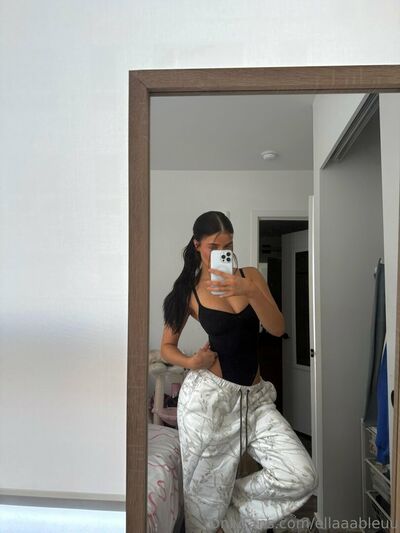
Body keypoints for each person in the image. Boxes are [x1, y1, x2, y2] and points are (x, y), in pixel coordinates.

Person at [160, 211, 318, 533]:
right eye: (213, 246)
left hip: (256, 400)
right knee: (202, 513)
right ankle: (211, 514)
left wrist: (249, 291)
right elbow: (167, 347)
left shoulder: (250, 278)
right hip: (210, 403)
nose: (222, 252)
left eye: (228, 245)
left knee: (302, 475)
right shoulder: (188, 292)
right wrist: (192, 362)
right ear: (197, 245)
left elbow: (277, 328)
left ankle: (226, 515)